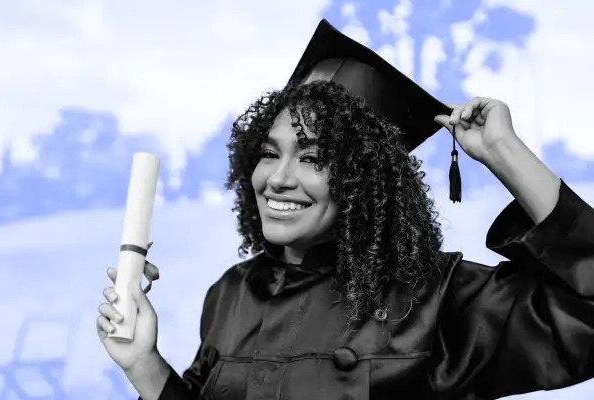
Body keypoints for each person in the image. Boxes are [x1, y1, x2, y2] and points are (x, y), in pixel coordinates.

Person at [96, 19, 594, 400]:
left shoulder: (437, 297)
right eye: (270, 153)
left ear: (367, 182)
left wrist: (505, 152)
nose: (279, 177)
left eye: (314, 158)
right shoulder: (230, 293)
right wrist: (143, 363)